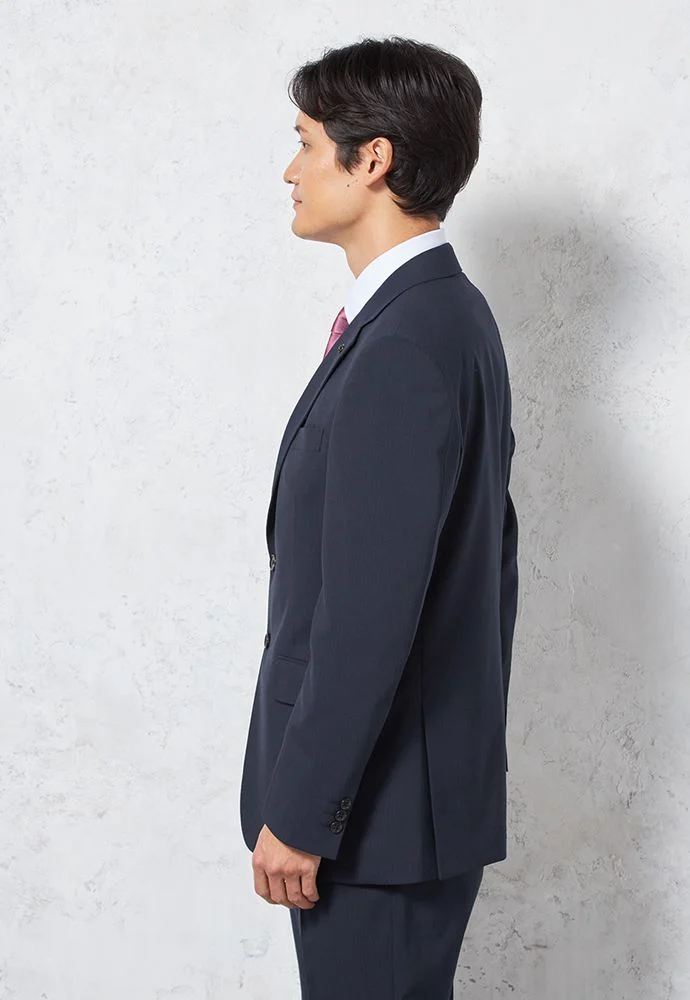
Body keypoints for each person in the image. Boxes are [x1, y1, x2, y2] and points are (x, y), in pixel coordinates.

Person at [239, 34, 519, 999]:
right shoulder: (441, 317)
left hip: (375, 819)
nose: (291, 170)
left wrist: (306, 810)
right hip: (402, 807)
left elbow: (368, 615)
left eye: (307, 143)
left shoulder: (407, 341)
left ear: (374, 159)